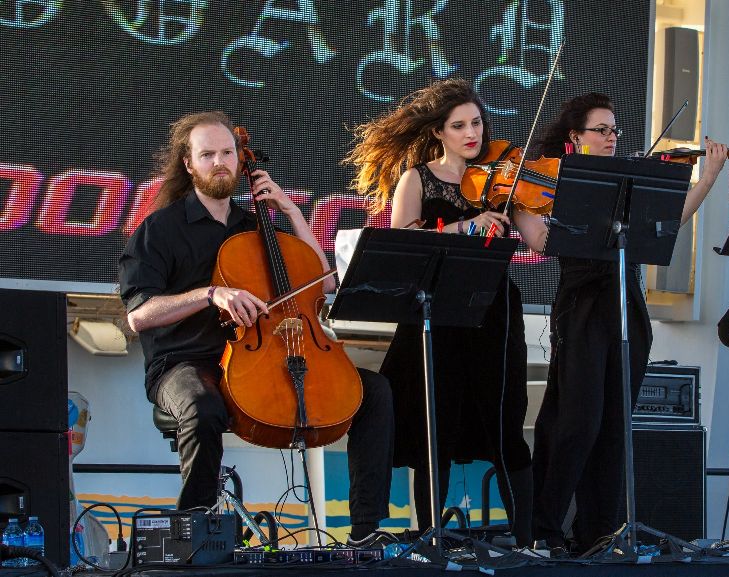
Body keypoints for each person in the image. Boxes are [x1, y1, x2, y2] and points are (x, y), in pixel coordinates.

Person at [119, 111, 394, 545]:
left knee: (374, 391)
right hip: (186, 362)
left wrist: (289, 210)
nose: (220, 162)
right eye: (207, 154)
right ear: (189, 164)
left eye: (227, 152)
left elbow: (321, 283)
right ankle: (197, 530)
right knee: (202, 406)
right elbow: (139, 315)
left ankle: (365, 531)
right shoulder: (160, 230)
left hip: (267, 357)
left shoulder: (257, 227)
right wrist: (210, 294)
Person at [344, 79, 546, 547]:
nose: (472, 133)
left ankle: (530, 541)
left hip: (493, 314)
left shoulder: (503, 177)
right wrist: (465, 225)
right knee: (433, 431)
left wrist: (554, 207)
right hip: (435, 316)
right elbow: (402, 244)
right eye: (459, 126)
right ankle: (429, 538)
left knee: (505, 424)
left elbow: (538, 239)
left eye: (476, 122)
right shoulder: (418, 177)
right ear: (439, 132)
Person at [528, 93, 727, 554]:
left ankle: (597, 531)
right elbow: (544, 240)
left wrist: (709, 177)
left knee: (616, 425)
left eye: (615, 129)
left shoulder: (632, 180)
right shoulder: (557, 179)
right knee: (578, 420)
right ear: (575, 138)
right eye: (601, 130)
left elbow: (666, 223)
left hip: (627, 305)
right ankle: (544, 526)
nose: (612, 137)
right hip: (581, 307)